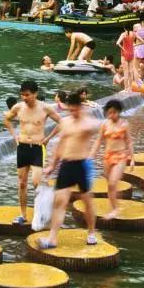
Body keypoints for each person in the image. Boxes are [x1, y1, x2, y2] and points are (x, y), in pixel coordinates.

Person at [39, 91, 101, 249]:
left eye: (75, 109)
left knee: (87, 203)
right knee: (60, 203)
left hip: (82, 166)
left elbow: (100, 131)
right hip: (66, 165)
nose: (72, 112)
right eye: (70, 110)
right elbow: (60, 145)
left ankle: (91, 232)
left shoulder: (89, 122)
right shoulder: (65, 122)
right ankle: (52, 239)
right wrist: (52, 165)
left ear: (80, 107)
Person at [4, 81, 62, 223]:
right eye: (22, 94)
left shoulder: (45, 108)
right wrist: (14, 135)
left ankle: (44, 205)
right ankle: (23, 215)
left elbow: (62, 122)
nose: (24, 97)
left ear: (35, 94)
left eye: (27, 95)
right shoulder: (18, 107)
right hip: (22, 148)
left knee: (36, 182)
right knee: (22, 183)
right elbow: (6, 119)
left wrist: (48, 138)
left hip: (37, 148)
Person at [92, 99, 133, 219]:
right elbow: (98, 140)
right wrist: (92, 155)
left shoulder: (124, 124)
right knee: (110, 186)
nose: (111, 115)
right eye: (109, 113)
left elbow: (129, 142)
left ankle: (115, 210)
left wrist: (133, 159)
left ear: (119, 112)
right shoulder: (104, 124)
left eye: (114, 112)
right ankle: (114, 205)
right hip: (107, 157)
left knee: (113, 182)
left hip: (120, 156)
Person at [116, 25, 136, 90]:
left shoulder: (123, 34)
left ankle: (126, 88)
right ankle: (130, 87)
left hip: (125, 53)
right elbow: (137, 42)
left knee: (126, 72)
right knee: (131, 71)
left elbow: (117, 43)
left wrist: (122, 48)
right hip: (131, 53)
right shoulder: (133, 34)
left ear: (124, 28)